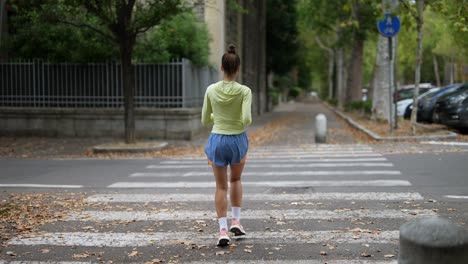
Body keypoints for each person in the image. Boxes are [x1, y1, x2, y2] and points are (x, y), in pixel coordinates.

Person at [201, 44, 252, 247]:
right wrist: (234, 121)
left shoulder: (211, 90)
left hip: (217, 139)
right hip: (237, 139)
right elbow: (247, 119)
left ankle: (222, 231)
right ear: (238, 69)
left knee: (220, 186)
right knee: (236, 179)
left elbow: (205, 120)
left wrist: (219, 118)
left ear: (221, 68)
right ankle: (236, 221)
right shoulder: (245, 91)